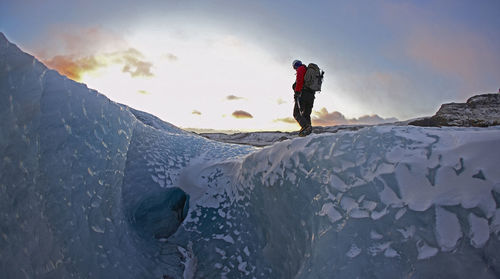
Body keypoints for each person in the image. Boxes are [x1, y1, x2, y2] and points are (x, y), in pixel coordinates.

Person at [292, 59, 315, 136]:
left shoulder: (301, 69)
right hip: (311, 95)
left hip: (303, 94)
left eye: (294, 67)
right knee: (306, 114)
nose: (295, 69)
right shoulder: (307, 71)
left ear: (295, 65)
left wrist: (297, 92)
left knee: (296, 113)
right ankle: (308, 132)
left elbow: (299, 81)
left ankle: (306, 127)